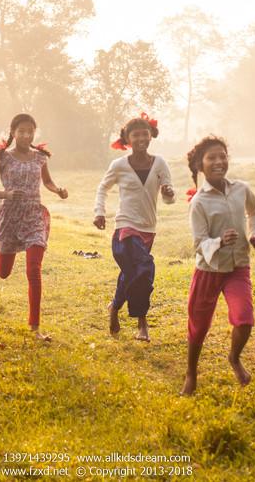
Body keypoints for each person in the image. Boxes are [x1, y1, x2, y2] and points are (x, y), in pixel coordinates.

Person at [182, 135, 255, 396]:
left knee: (244, 320)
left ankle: (234, 357)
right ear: (200, 165)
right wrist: (219, 242)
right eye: (211, 158)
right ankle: (191, 373)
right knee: (199, 325)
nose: (218, 161)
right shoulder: (199, 202)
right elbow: (199, 243)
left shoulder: (241, 189)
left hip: (238, 266)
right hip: (209, 270)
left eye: (222, 156)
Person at [0, 113, 68, 341]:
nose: (26, 135)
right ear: (13, 133)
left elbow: (47, 181)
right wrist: (6, 194)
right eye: (22, 131)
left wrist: (57, 189)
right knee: (4, 272)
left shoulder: (40, 158)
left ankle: (35, 327)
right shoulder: (3, 158)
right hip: (10, 217)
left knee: (34, 270)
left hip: (33, 216)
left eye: (30, 131)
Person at [93, 113, 176, 341]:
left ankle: (115, 308)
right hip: (125, 226)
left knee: (131, 273)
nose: (141, 138)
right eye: (135, 134)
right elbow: (103, 188)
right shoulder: (119, 165)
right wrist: (99, 212)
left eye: (144, 134)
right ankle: (142, 323)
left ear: (151, 136)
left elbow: (169, 197)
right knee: (145, 270)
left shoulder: (160, 163)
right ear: (127, 139)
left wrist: (169, 193)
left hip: (149, 228)